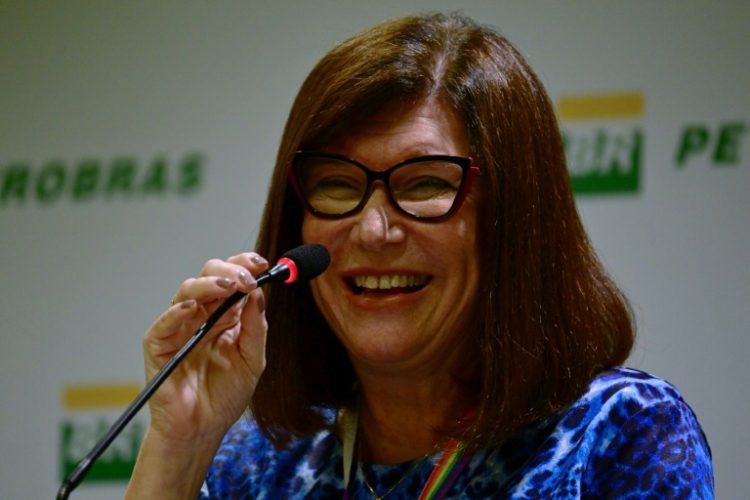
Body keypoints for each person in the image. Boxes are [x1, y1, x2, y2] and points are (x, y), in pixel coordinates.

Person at [126, 12, 713, 499]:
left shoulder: (621, 432)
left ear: (513, 219)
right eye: (337, 185)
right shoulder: (253, 466)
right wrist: (180, 449)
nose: (374, 230)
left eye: (424, 184)